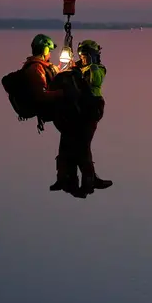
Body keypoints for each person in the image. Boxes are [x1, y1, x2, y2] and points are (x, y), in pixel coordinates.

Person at [49, 39, 112, 195]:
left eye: (85, 54)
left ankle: (80, 180)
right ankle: (75, 180)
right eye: (83, 54)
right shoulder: (82, 68)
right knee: (75, 144)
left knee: (77, 144)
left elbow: (92, 80)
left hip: (88, 109)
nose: (83, 57)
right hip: (83, 109)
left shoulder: (93, 69)